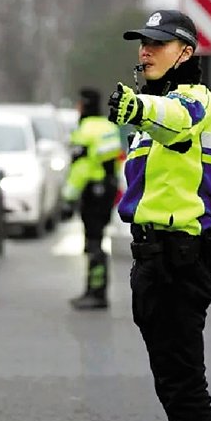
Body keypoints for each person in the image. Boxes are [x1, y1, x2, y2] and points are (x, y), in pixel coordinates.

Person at [107, 9, 211, 421]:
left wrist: (137, 108)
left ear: (185, 53)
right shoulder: (152, 111)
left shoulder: (191, 101)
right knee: (173, 383)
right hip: (155, 261)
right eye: (142, 43)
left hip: (179, 261)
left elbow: (173, 120)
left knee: (183, 386)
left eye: (157, 44)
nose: (144, 51)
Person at [61, 88, 124, 310]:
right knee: (97, 240)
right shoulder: (109, 127)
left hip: (92, 191)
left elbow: (80, 168)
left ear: (84, 105)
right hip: (106, 191)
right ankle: (95, 289)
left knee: (93, 243)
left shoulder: (84, 131)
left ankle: (96, 292)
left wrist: (68, 197)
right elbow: (113, 162)